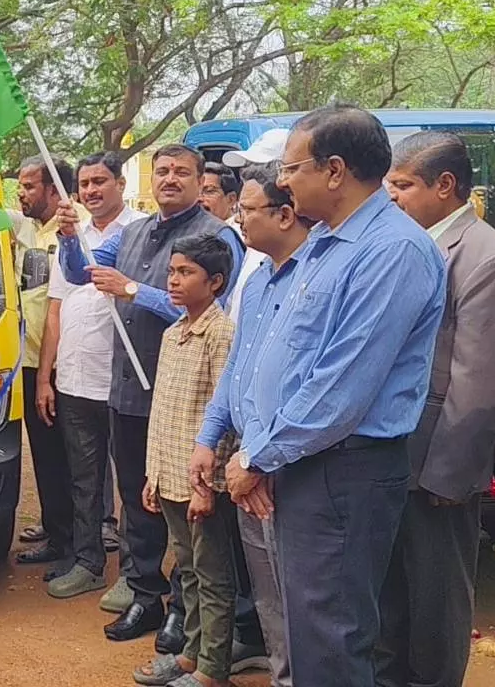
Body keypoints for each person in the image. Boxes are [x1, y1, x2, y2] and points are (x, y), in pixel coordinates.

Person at [224, 105, 446, 687]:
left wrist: (258, 456)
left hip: (344, 469)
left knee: (332, 639)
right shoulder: (325, 244)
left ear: (335, 170)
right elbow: (286, 358)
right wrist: (268, 448)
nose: (283, 181)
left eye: (291, 167)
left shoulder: (390, 251)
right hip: (308, 462)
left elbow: (340, 388)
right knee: (311, 631)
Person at [57, 144, 243, 649]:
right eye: (162, 171)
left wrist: (136, 291)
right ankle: (143, 592)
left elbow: (214, 311)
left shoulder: (216, 237)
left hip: (186, 398)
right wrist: (71, 238)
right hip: (129, 390)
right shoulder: (135, 232)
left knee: (188, 508)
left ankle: (187, 611)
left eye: (182, 172)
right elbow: (83, 273)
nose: (170, 179)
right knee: (139, 498)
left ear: (199, 179)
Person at [377, 131, 495, 687]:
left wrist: (448, 477)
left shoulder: (487, 257)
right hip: (389, 454)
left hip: (437, 464)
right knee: (389, 600)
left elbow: (480, 384)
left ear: (445, 185)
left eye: (403, 185)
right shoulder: (402, 242)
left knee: (435, 603)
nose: (392, 197)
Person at [197, 163, 314, 687]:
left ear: (286, 214)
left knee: (305, 600)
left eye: (246, 209)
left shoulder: (317, 280)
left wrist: (258, 459)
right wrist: (210, 437)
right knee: (269, 595)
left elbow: (311, 387)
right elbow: (238, 370)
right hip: (249, 458)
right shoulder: (258, 277)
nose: (237, 219)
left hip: (287, 462)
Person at [42, 152, 146, 599]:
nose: (91, 191)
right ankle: (88, 562)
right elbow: (56, 308)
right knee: (84, 478)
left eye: (100, 181)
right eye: (85, 184)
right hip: (74, 378)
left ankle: (135, 571)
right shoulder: (72, 238)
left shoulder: (142, 233)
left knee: (131, 480)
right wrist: (45, 376)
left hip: (123, 381)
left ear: (120, 183)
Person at [134, 234, 236, 687]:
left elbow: (225, 415)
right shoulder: (174, 332)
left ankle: (213, 667)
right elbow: (164, 412)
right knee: (187, 570)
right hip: (170, 473)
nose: (173, 281)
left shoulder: (222, 333)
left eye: (185, 272)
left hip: (200, 481)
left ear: (214, 282)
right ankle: (191, 656)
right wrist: (153, 475)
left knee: (212, 575)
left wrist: (207, 486)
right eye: (172, 271)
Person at [9, 156, 78, 570]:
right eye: (20, 185)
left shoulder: (74, 232)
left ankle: (75, 543)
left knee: (69, 458)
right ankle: (55, 529)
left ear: (54, 191)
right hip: (31, 360)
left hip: (63, 364)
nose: (22, 192)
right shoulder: (25, 229)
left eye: (30, 186)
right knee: (46, 455)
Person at [203, 162, 264, 322]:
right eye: (198, 191)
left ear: (231, 199)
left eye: (209, 191)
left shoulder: (237, 234)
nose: (200, 199)